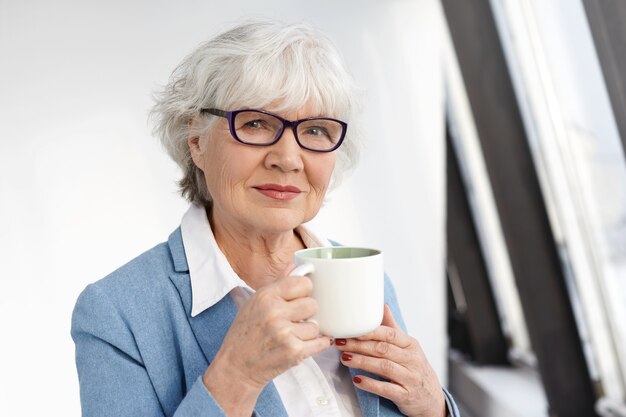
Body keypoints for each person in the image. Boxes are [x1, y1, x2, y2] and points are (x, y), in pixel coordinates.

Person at [71, 20, 460, 417]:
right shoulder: (116, 313)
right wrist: (236, 377)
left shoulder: (366, 277)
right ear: (196, 142)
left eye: (316, 130)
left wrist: (434, 407)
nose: (288, 159)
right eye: (255, 123)